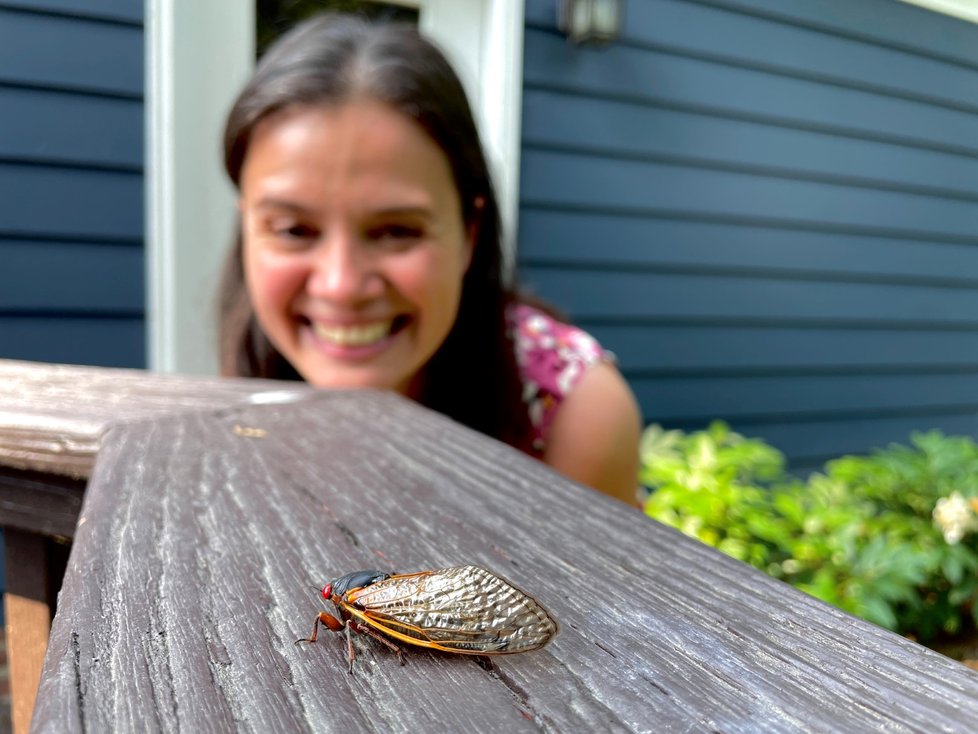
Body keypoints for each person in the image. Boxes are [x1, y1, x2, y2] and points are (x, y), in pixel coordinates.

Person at [218, 13, 642, 506]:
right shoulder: (249, 380)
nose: (341, 285)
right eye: (294, 230)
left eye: (397, 231)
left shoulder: (576, 413)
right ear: (246, 227)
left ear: (469, 232)